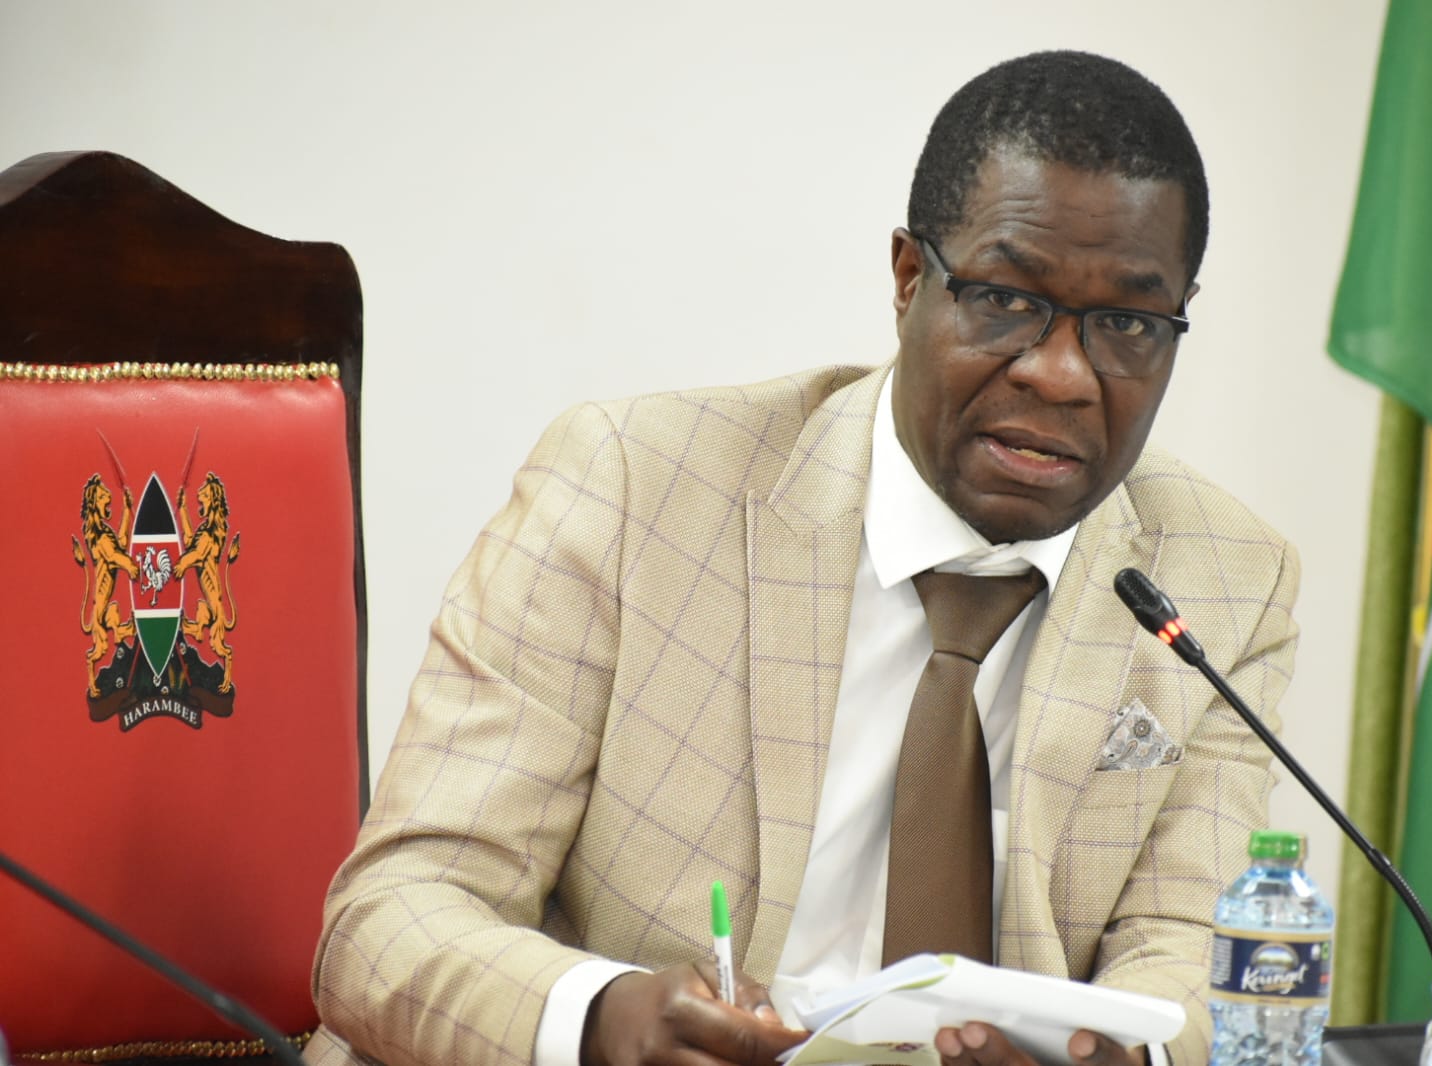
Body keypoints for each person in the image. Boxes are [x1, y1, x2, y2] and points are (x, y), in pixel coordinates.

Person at [305, 49, 1299, 1066]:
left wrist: (1111, 1056)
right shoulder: (632, 486)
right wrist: (605, 1022)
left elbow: (1194, 954)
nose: (1060, 374)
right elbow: (393, 916)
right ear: (909, 280)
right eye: (1006, 299)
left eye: (1126, 323)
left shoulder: (1226, 578)